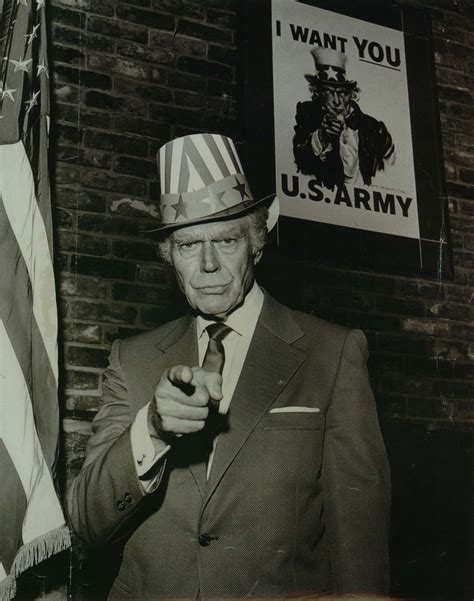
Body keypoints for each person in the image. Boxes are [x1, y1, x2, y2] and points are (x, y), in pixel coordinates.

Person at [68, 133, 391, 600]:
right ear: (168, 254)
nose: (207, 265)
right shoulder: (131, 358)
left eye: (225, 240)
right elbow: (85, 521)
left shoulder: (332, 353)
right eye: (187, 245)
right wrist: (153, 431)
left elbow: (360, 542)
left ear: (259, 237)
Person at [293, 47, 396, 190]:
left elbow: (391, 171)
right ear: (318, 94)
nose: (336, 101)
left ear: (352, 94)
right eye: (329, 92)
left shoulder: (374, 127)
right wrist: (322, 136)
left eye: (342, 93)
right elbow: (300, 163)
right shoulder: (307, 116)